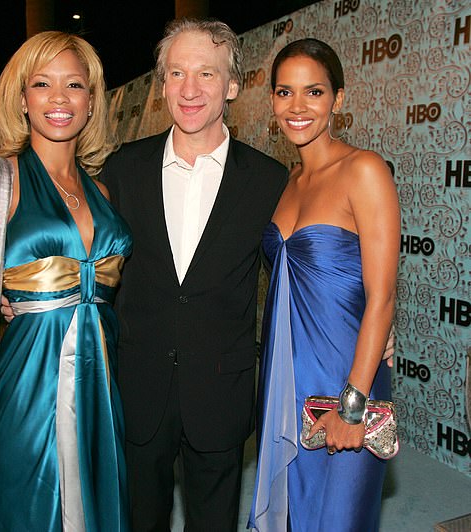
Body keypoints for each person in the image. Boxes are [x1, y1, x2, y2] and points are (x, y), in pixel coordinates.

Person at [0, 31, 131, 531]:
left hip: (102, 389)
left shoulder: (102, 190)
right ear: (22, 99)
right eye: (43, 84)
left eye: (75, 85)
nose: (60, 98)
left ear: (92, 101)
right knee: (29, 508)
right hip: (28, 383)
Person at [101, 19, 288, 531]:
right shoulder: (123, 169)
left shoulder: (269, 180)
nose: (190, 89)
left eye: (207, 74)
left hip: (220, 391)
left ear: (231, 86)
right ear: (162, 85)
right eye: (177, 73)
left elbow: (301, 277)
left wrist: (368, 331)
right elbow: (88, 258)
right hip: (139, 385)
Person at [248, 38, 400, 532]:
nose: (297, 107)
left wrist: (352, 404)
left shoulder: (365, 170)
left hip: (345, 381)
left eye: (313, 92)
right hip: (285, 384)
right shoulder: (287, 183)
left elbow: (383, 296)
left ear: (337, 98)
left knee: (340, 521)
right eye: (284, 92)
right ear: (271, 100)